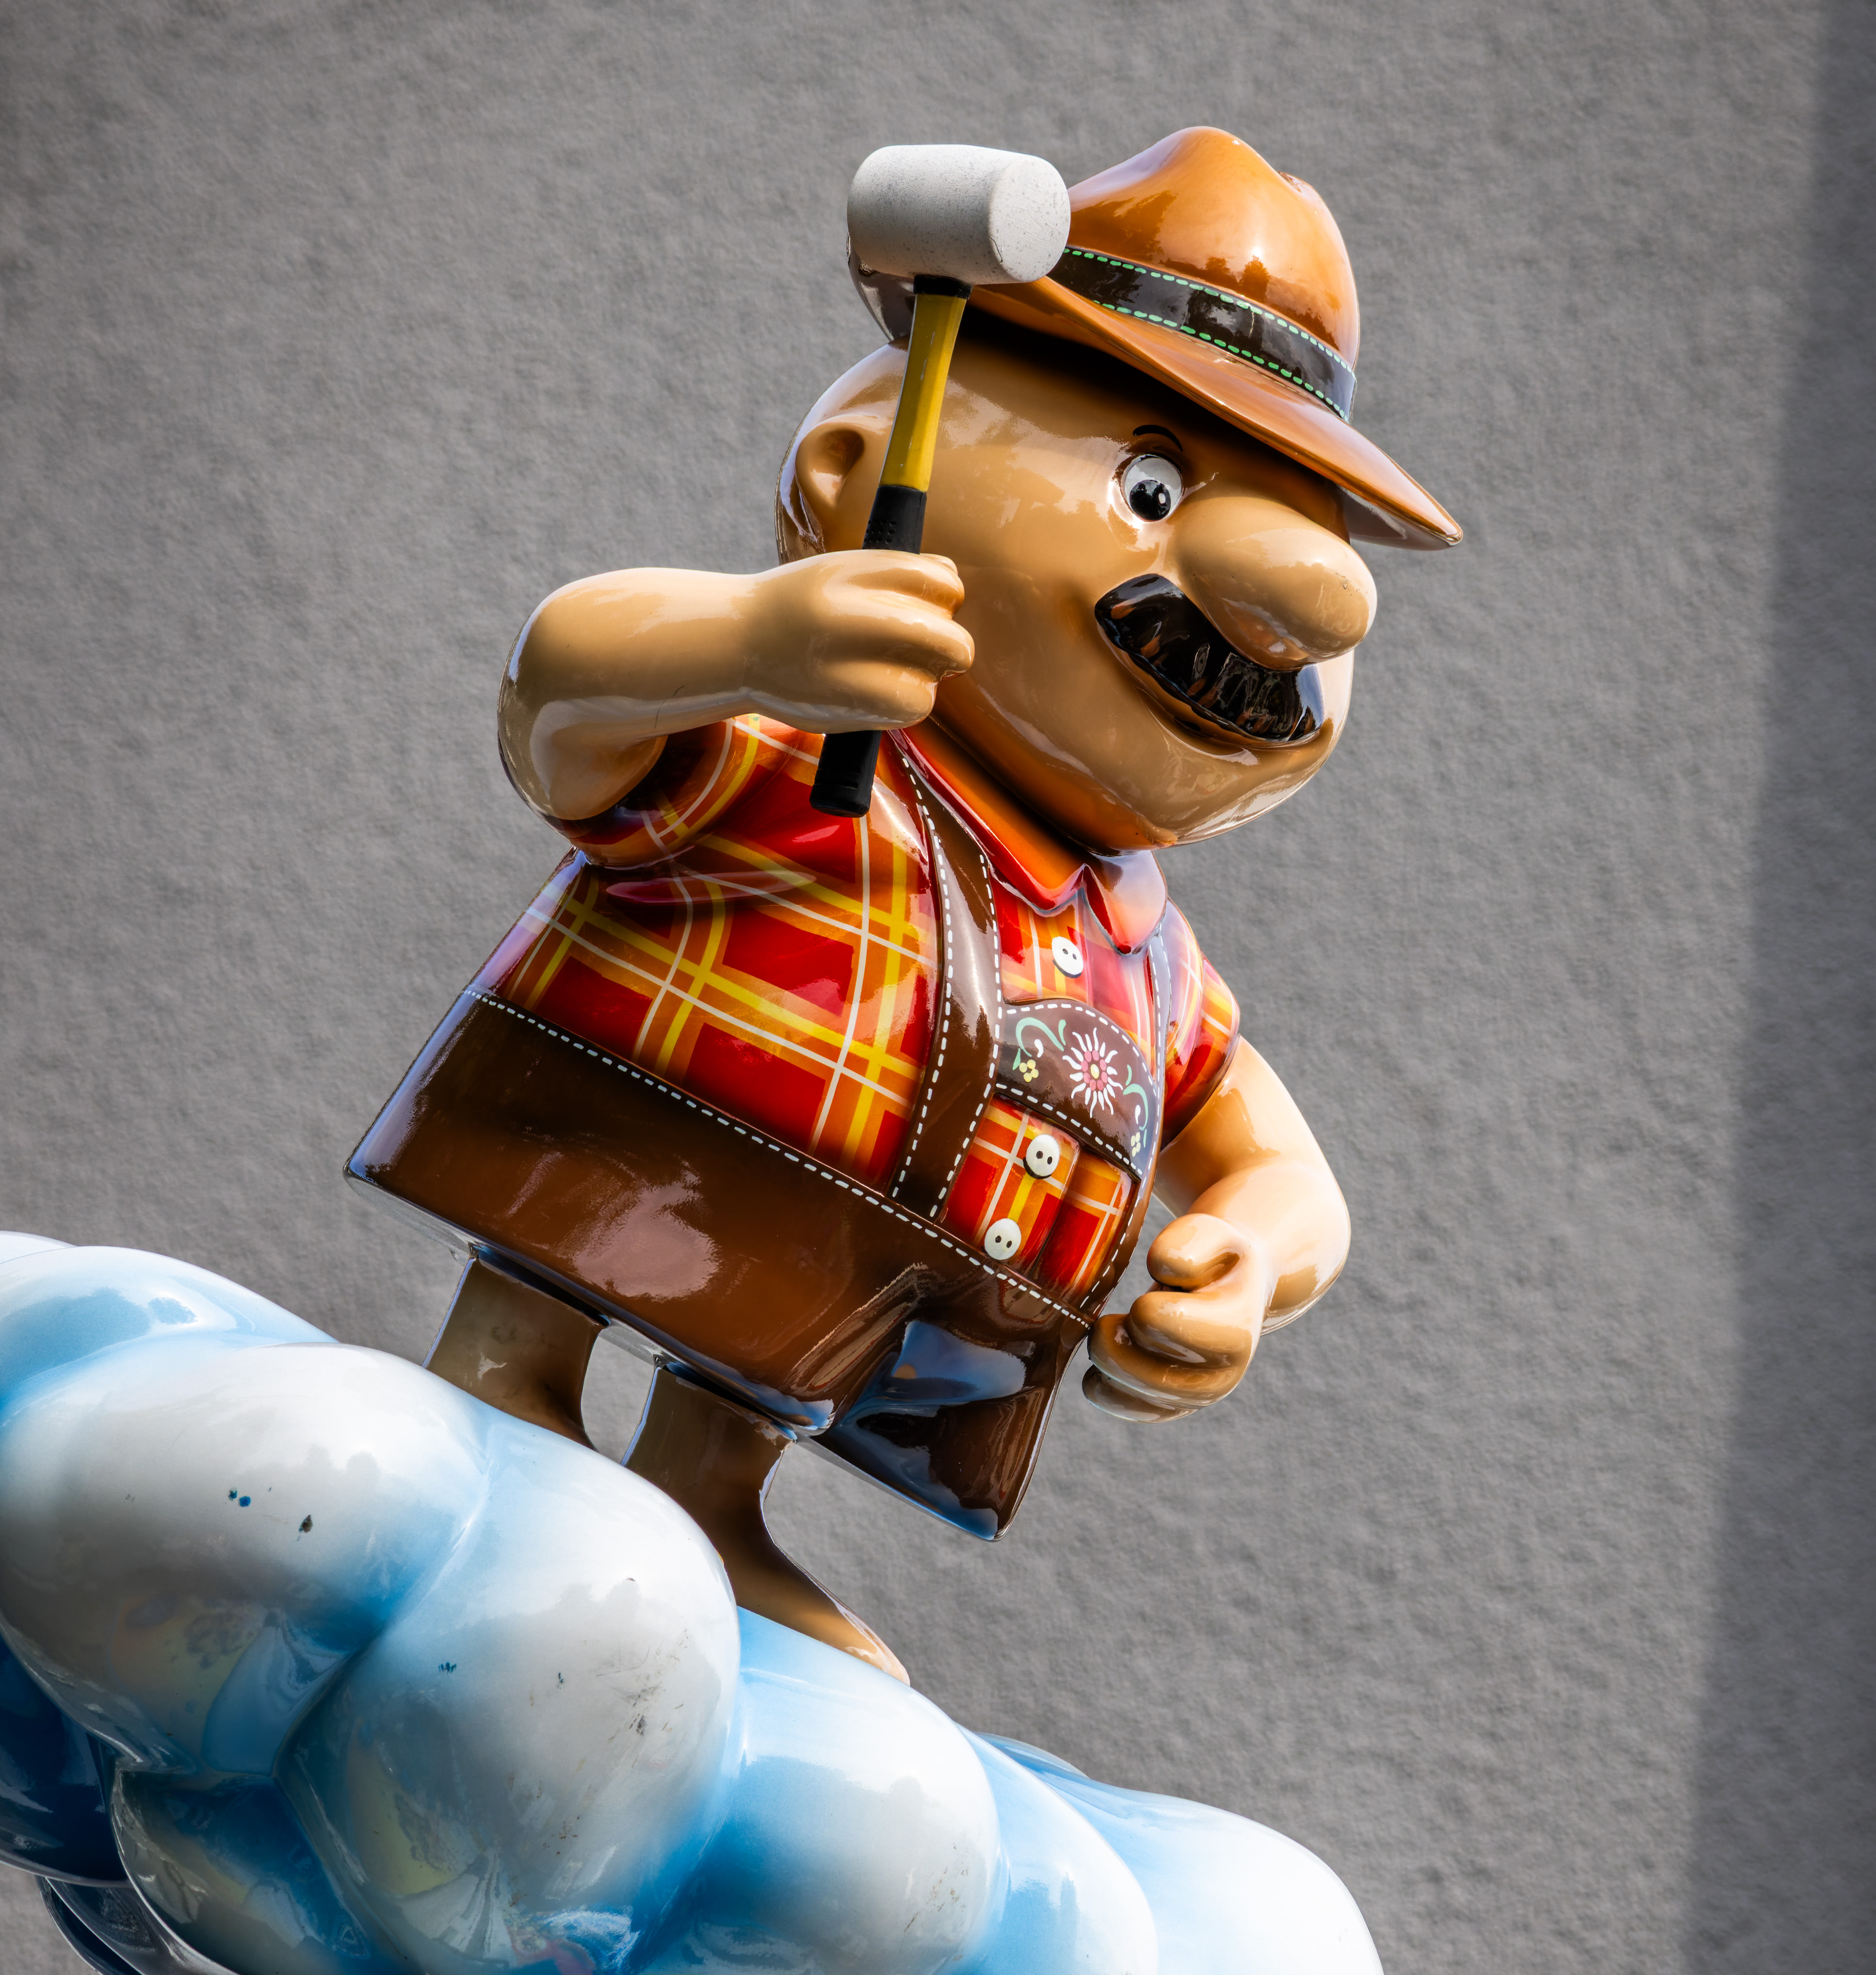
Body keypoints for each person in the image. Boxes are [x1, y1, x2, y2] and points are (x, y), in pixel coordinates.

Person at [350, 126, 1459, 1676]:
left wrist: (1251, 1259)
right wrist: (742, 640)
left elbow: (1279, 1168)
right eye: (1150, 486)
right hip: (604, 1152)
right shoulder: (804, 748)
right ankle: (506, 1379)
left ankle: (709, 1491)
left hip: (855, 1290)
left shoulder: (1140, 950)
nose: (1294, 610)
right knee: (532, 1332)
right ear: (848, 468)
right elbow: (561, 691)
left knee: (754, 1383)